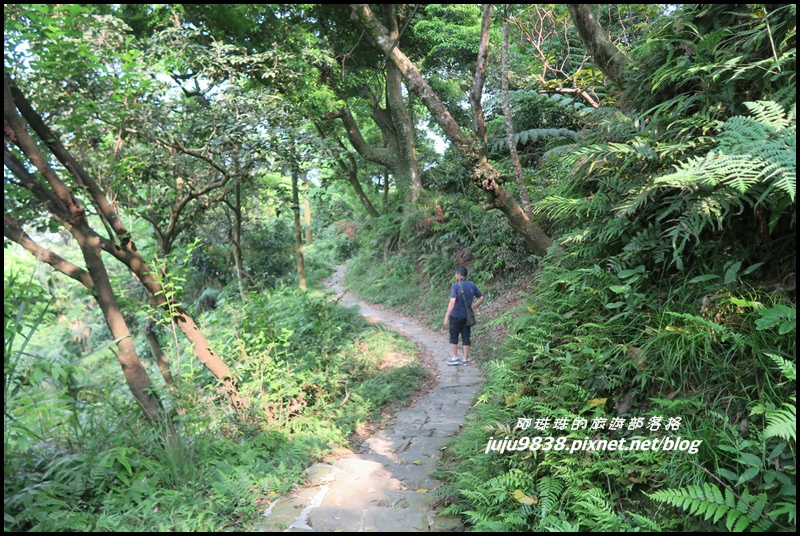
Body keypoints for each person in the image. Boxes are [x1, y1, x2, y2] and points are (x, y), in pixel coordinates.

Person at [443, 266, 484, 366]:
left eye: (456, 273)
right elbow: (481, 298)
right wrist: (473, 307)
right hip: (467, 316)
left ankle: (455, 357)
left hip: (455, 316)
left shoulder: (455, 286)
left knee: (454, 336)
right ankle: (465, 359)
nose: (456, 275)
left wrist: (446, 316)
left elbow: (452, 302)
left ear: (459, 275)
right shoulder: (472, 285)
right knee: (466, 336)